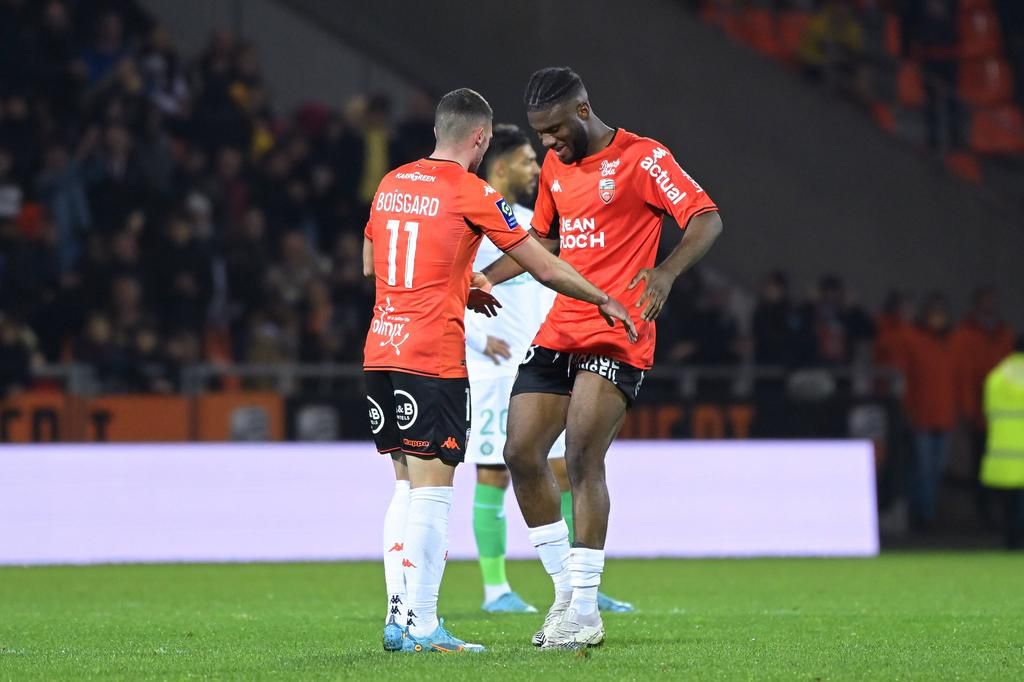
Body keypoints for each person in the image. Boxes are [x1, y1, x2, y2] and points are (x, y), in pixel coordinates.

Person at [362, 88, 636, 654]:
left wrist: (448, 285)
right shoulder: (470, 191)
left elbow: (372, 263)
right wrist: (603, 299)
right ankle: (424, 624)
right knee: (435, 493)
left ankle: (397, 617)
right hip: (430, 356)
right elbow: (544, 264)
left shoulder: (392, 182)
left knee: (403, 488)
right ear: (481, 139)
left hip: (380, 348)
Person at [476, 67, 722, 649]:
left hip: (620, 330)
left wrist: (665, 271)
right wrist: (485, 276)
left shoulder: (644, 158)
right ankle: (568, 595)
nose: (547, 145)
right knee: (520, 452)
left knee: (583, 455)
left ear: (583, 110)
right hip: (561, 327)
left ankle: (584, 609)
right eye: (540, 134)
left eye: (556, 130)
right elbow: (546, 243)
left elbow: (706, 218)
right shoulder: (559, 168)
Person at [464, 123, 634, 615]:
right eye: (524, 160)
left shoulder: (527, 224)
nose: (535, 167)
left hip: (543, 365)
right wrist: (477, 336)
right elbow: (444, 286)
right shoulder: (474, 223)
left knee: (565, 469)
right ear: (500, 167)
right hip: (494, 371)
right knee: (494, 475)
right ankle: (495, 589)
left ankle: (580, 582)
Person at [904, 293, 957, 530]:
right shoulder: (915, 341)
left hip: (945, 417)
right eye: (933, 314)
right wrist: (909, 411)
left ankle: (927, 510)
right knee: (923, 469)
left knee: (937, 469)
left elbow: (957, 380)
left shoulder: (951, 343)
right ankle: (924, 515)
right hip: (922, 417)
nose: (938, 319)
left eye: (941, 314)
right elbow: (908, 380)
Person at [980, 335, 1024, 550]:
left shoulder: (997, 376)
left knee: (1010, 502)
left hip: (1003, 449)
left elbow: (988, 412)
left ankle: (1011, 541)